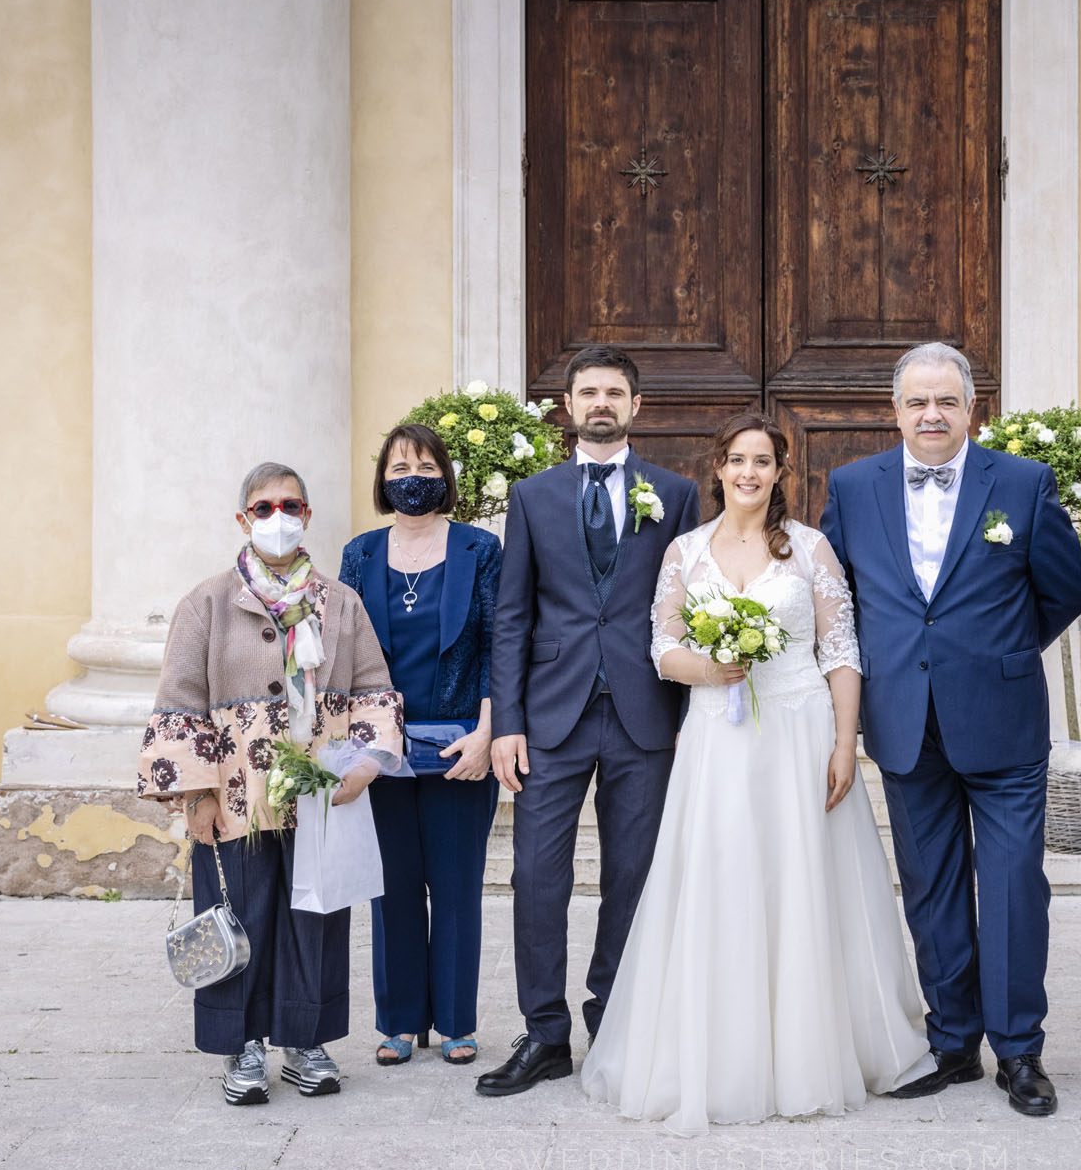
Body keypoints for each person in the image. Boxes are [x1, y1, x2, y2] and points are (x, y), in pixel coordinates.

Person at [581, 415, 933, 1133]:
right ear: (717, 468)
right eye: (737, 460)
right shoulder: (684, 551)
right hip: (717, 738)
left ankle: (811, 1050)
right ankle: (723, 1053)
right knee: (723, 881)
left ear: (780, 473)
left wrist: (843, 746)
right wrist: (707, 668)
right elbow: (661, 647)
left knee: (804, 882)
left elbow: (840, 650)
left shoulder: (810, 550)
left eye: (763, 462)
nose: (749, 472)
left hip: (799, 732)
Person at [819, 342, 1081, 1118]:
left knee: (1011, 887)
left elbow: (1067, 589)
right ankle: (952, 1043)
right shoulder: (851, 486)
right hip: (904, 720)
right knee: (932, 887)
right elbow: (834, 598)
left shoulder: (1024, 482)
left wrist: (998, 653)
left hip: (1002, 721)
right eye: (917, 402)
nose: (932, 415)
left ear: (972, 409)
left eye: (947, 402)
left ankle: (1020, 1052)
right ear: (895, 410)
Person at [138, 462, 403, 1105]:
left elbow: (374, 689)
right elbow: (179, 703)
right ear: (242, 519)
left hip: (320, 797)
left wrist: (366, 765)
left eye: (289, 505)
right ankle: (243, 1047)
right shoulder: (205, 603)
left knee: (314, 918)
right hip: (236, 798)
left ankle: (305, 1040)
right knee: (242, 915)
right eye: (263, 507)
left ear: (307, 516)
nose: (276, 517)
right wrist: (196, 796)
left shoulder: (340, 604)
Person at [479, 346, 701, 1096]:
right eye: (587, 393)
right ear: (568, 407)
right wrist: (506, 720)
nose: (600, 404)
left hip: (646, 715)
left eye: (614, 393)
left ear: (636, 406)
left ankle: (616, 1020)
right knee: (536, 876)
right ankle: (545, 1034)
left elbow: (693, 612)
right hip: (551, 716)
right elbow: (510, 617)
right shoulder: (532, 496)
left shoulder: (675, 494)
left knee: (631, 878)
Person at [339, 423, 502, 1068]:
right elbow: (346, 652)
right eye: (402, 466)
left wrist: (489, 733)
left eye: (428, 466)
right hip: (381, 749)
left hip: (462, 744)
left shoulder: (480, 549)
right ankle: (400, 1020)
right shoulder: (360, 553)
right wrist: (355, 747)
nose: (415, 477)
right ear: (383, 478)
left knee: (457, 884)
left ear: (446, 478)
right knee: (394, 885)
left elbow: (497, 644)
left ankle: (458, 1021)